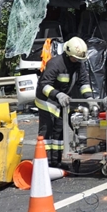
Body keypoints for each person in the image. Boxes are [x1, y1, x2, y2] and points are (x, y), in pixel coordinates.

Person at [34, 37, 92, 169]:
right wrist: (57, 94)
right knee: (47, 131)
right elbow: (44, 84)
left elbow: (84, 83)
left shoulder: (78, 64)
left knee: (59, 131)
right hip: (47, 100)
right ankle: (45, 162)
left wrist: (90, 99)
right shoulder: (55, 63)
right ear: (68, 53)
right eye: (76, 58)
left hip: (61, 102)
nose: (78, 61)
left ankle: (56, 161)